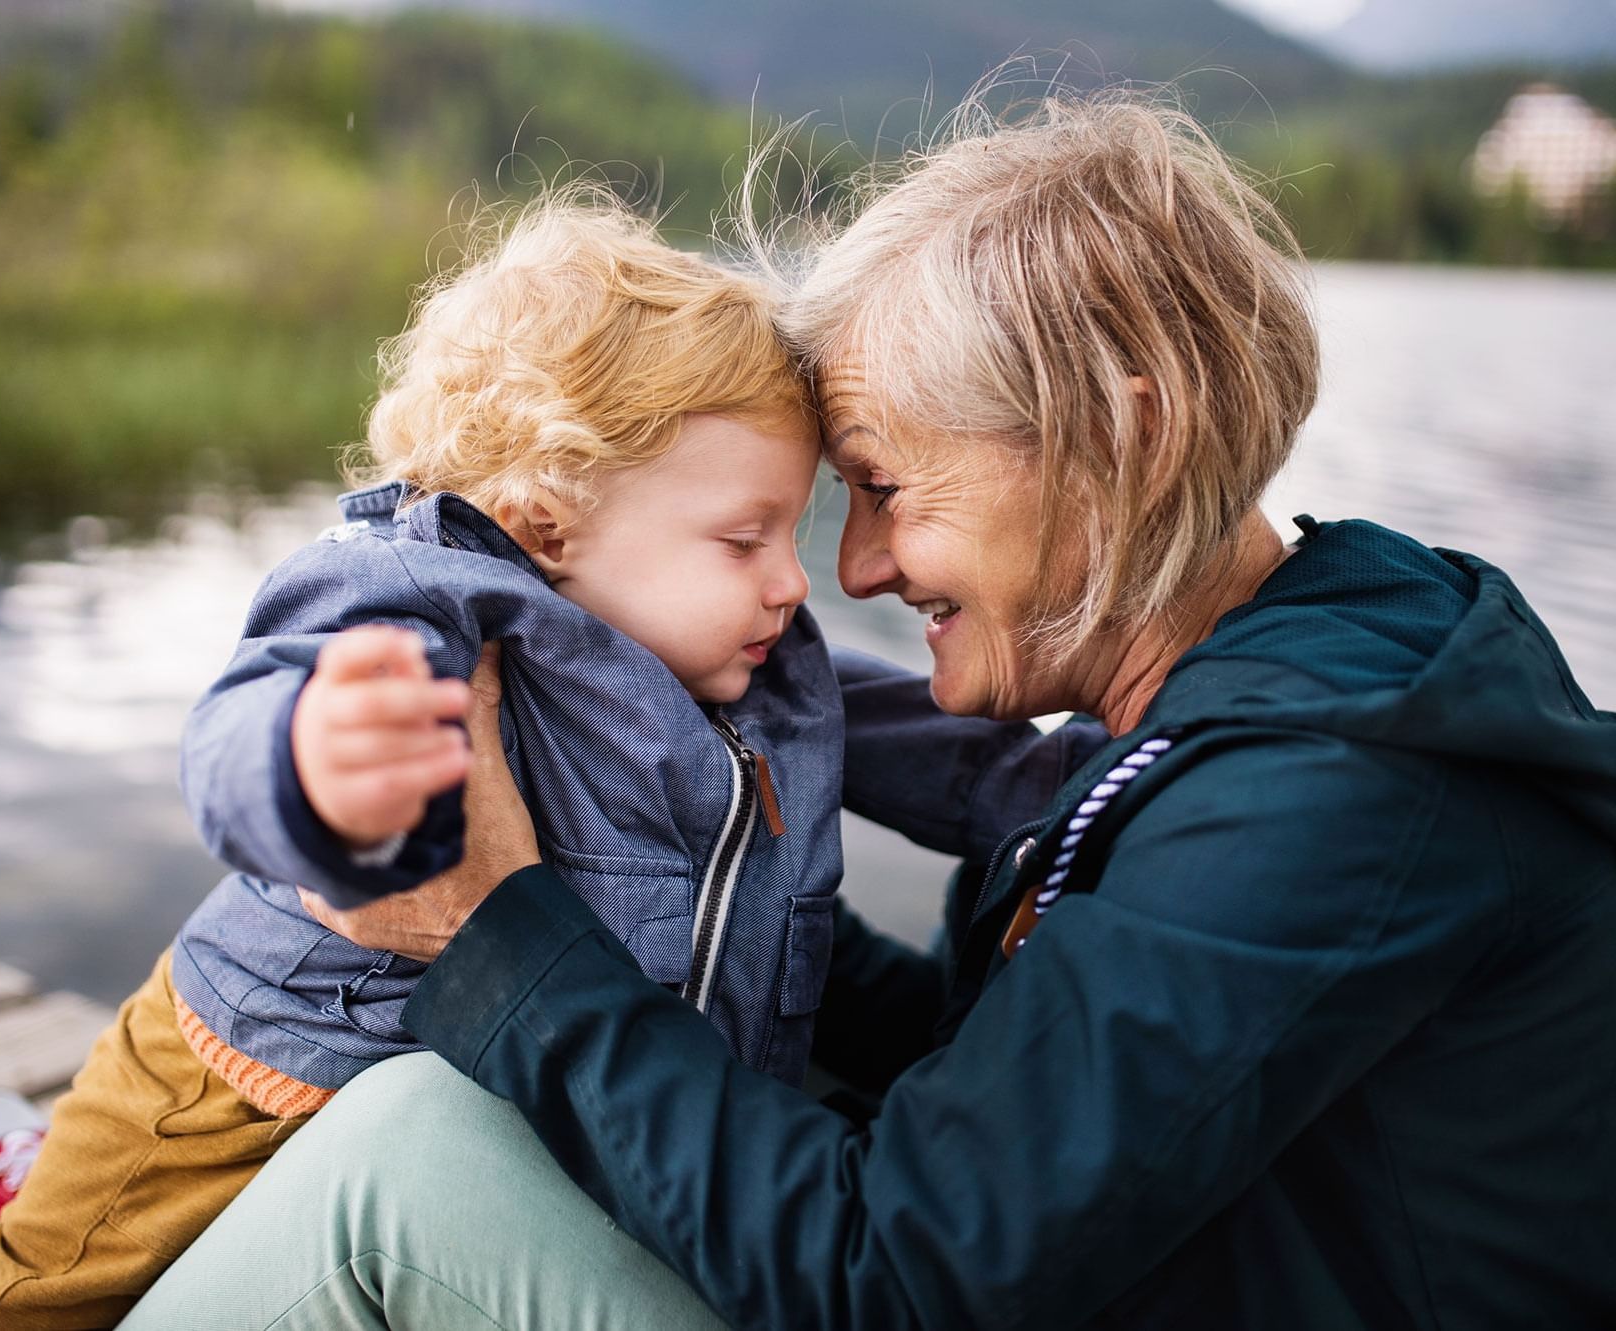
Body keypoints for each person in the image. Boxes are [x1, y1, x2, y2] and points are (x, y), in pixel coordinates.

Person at [120, 92, 1616, 1330]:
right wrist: (672, 893)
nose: (855, 565)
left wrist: (498, 924)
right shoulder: (1283, 684)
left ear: (1122, 434)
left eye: (887, 489)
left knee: (404, 1156)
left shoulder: (1331, 797)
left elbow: (897, 1272)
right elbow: (1021, 1082)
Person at [0, 194, 1102, 1331]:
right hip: (242, 1091)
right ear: (550, 524)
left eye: (783, 534)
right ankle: (44, 1198)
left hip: (533, 1123)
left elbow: (959, 761)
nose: (792, 581)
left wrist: (1117, 778)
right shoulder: (426, 599)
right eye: (744, 539)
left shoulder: (759, 660)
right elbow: (248, 717)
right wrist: (314, 769)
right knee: (51, 1288)